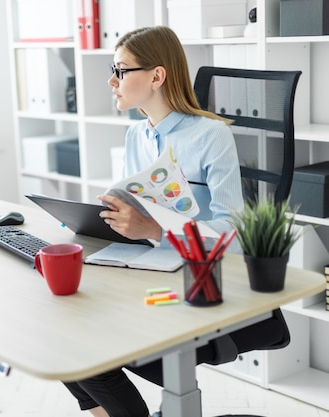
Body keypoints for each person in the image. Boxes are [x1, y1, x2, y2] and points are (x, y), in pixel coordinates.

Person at [62, 26, 247, 417]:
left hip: (198, 278)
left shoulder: (211, 135)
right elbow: (138, 204)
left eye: (121, 70)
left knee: (91, 358)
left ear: (157, 76)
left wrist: (157, 231)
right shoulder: (135, 135)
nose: (112, 81)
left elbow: (234, 234)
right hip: (144, 269)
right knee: (61, 339)